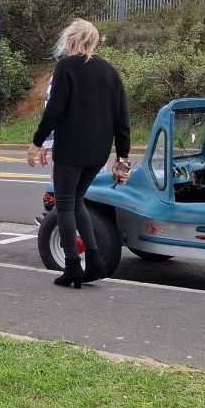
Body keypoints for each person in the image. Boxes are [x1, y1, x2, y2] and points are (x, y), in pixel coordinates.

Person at [27, 19, 130, 289]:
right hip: (98, 151)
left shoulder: (66, 67)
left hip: (71, 147)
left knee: (64, 202)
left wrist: (37, 142)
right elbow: (122, 118)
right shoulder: (110, 71)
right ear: (93, 41)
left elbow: (55, 110)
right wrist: (122, 156)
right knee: (77, 200)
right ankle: (94, 259)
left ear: (70, 40)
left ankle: (72, 264)